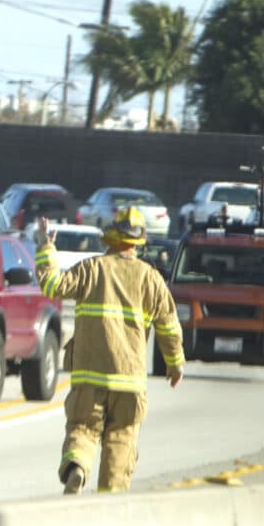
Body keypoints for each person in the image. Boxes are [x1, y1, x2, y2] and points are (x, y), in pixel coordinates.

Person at [35, 207, 184, 494]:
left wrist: (45, 247)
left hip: (90, 378)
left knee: (83, 430)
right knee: (121, 440)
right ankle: (110, 502)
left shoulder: (91, 269)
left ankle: (77, 467)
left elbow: (52, 285)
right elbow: (169, 327)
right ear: (138, 243)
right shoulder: (151, 279)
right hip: (130, 383)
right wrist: (175, 365)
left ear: (110, 239)